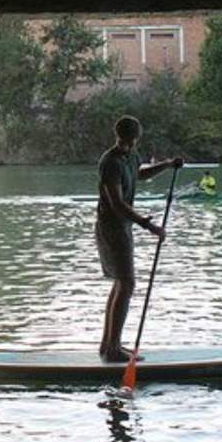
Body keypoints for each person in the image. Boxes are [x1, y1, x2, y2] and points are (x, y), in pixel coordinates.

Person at [95, 115, 182, 362]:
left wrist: (166, 164)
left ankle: (107, 345)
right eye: (128, 141)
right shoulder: (110, 162)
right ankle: (113, 349)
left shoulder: (131, 157)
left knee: (121, 283)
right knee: (127, 282)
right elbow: (116, 202)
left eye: (132, 141)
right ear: (121, 137)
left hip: (123, 227)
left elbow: (140, 174)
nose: (131, 145)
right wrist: (147, 224)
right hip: (111, 226)